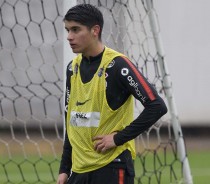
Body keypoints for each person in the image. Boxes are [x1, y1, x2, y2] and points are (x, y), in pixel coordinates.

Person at [57, 4, 167, 184]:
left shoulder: (118, 65)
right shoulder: (72, 68)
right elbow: (71, 122)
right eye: (68, 30)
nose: (69, 37)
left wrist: (118, 138)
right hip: (79, 170)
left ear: (95, 30)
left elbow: (157, 106)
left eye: (76, 30)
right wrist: (64, 169)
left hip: (111, 166)